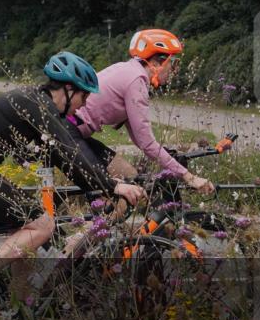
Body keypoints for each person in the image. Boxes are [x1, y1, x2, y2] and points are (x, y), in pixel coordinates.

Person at [0, 52, 147, 292]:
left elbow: (63, 160)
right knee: (43, 226)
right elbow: (71, 153)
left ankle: (16, 309)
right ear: (68, 89)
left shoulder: (36, 104)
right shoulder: (37, 105)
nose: (84, 104)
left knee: (27, 241)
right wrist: (114, 186)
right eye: (84, 95)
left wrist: (101, 186)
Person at [74, 29, 215, 195]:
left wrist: (166, 158)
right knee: (123, 195)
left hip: (77, 134)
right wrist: (189, 177)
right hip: (69, 135)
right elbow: (147, 144)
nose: (174, 70)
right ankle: (98, 220)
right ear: (156, 64)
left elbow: (141, 140)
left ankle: (105, 217)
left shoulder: (128, 70)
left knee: (129, 176)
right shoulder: (137, 81)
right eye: (173, 63)